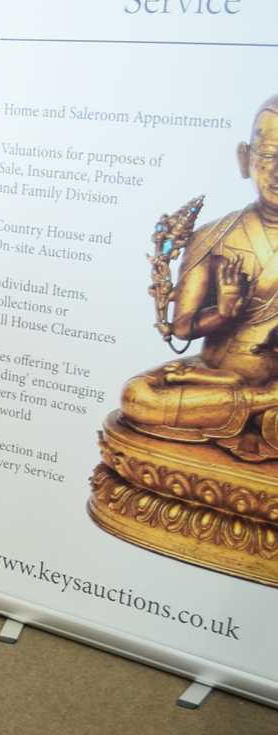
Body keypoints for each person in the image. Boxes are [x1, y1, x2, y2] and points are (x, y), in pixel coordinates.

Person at [121, 94, 278, 461]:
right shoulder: (213, 237)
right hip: (215, 377)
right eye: (269, 155)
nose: (277, 171)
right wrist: (224, 312)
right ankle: (263, 407)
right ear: (246, 158)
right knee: (138, 395)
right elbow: (182, 329)